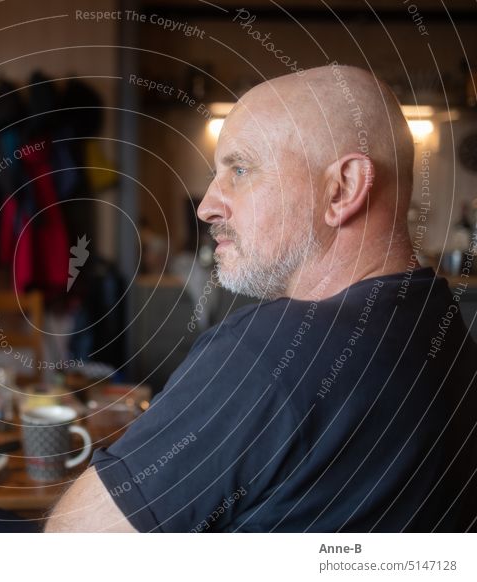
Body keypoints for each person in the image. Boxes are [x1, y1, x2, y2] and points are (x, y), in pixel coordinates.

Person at [45, 64, 477, 532]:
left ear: (343, 189)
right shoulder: (442, 323)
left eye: (241, 169)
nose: (208, 206)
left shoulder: (267, 348)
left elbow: (74, 544)